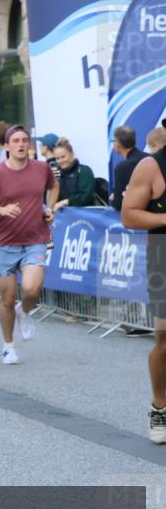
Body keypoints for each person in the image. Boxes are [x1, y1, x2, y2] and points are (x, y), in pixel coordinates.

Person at [0, 125, 58, 365]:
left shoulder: (42, 169)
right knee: (7, 299)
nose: (21, 145)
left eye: (25, 140)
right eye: (16, 141)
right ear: (7, 146)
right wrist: (0, 209)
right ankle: (8, 346)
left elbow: (53, 186)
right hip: (4, 243)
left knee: (31, 289)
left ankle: (25, 311)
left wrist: (49, 207)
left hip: (35, 240)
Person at [121, 140, 166, 444]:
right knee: (165, 338)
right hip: (163, 256)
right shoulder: (151, 166)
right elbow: (130, 215)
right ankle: (160, 406)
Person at [51, 137, 96, 210]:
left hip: (85, 216)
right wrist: (51, 183)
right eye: (57, 158)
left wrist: (65, 202)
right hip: (62, 217)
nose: (60, 161)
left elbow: (85, 196)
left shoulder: (84, 171)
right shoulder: (56, 174)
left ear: (71, 154)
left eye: (63, 157)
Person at [112, 126, 149, 210]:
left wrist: (113, 199)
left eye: (113, 141)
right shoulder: (151, 158)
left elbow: (118, 203)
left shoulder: (123, 167)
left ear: (118, 144)